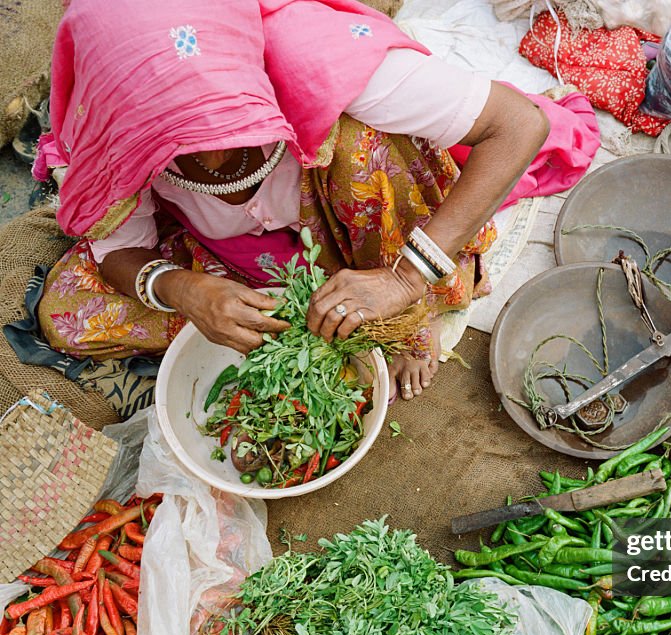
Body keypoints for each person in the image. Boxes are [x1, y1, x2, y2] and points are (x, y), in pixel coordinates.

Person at [34, 0, 598, 399]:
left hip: (362, 226)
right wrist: (185, 290)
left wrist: (405, 278)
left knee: (362, 149)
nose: (209, 162)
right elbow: (116, 247)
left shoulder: (315, 58)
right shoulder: (109, 119)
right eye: (179, 145)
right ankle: (284, 322)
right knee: (69, 310)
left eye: (225, 128)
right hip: (227, 259)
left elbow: (518, 126)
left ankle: (401, 314)